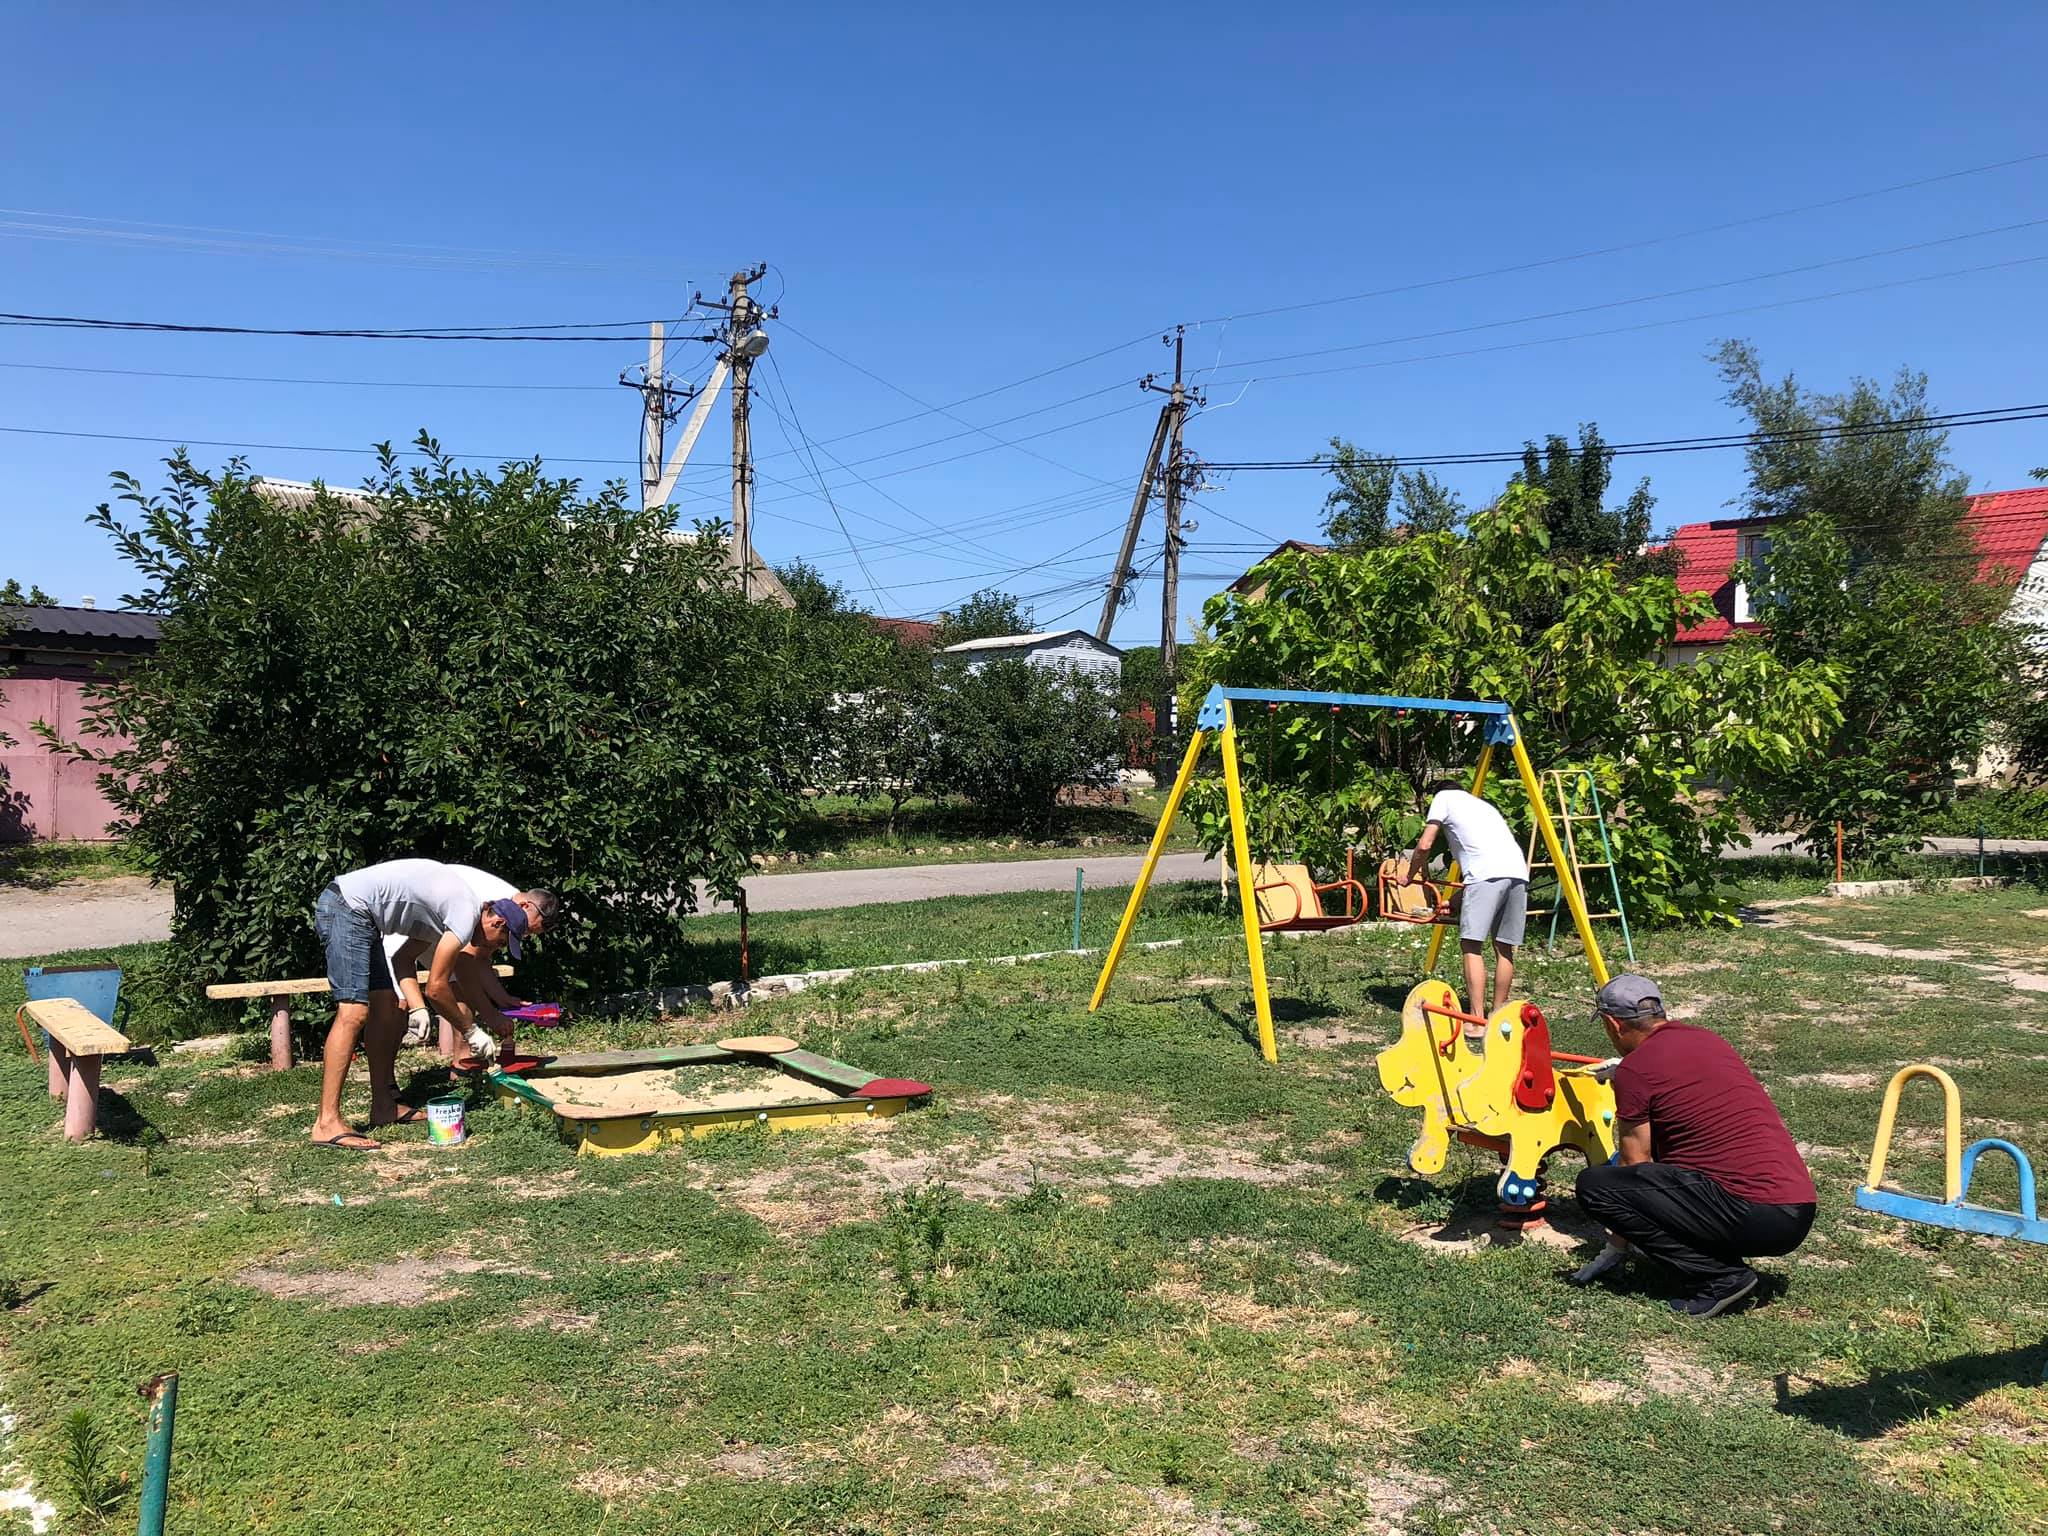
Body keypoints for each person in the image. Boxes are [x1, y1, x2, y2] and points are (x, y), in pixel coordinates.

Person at [1573, 974, 1817, 1318]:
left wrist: (1615, 1246)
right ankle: (1721, 1265)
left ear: (1613, 1024)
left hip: (1752, 1212)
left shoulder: (1636, 1070)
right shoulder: (1707, 1040)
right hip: (1796, 1208)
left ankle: (1721, 1277)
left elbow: (1635, 1163)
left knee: (1597, 1186)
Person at [309, 857, 523, 1151]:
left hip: (365, 917)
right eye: (499, 942)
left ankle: (384, 1106)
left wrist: (417, 1006)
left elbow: (402, 959)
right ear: (496, 922)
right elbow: (437, 987)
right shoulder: (464, 913)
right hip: (347, 907)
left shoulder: (451, 914)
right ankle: (326, 1122)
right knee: (354, 1013)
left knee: (385, 1007)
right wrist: (471, 1031)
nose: (493, 949)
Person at [383, 868, 559, 1059]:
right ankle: (385, 1083)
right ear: (524, 906)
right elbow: (464, 963)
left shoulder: (510, 914)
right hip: (404, 924)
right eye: (526, 930)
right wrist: (490, 1014)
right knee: (396, 1005)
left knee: (462, 997)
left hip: (438, 930)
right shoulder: (493, 904)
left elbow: (480, 959)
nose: (523, 934)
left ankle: (462, 1070)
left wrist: (502, 998)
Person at [1401, 777, 1530, 1033]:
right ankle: (1498, 1017)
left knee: (1471, 945)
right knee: (1504, 947)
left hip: (1485, 876)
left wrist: (1409, 874)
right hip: (1518, 873)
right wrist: (1455, 901)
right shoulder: (1483, 806)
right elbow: (1489, 862)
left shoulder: (1443, 798)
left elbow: (1425, 845)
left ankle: (1476, 1020)